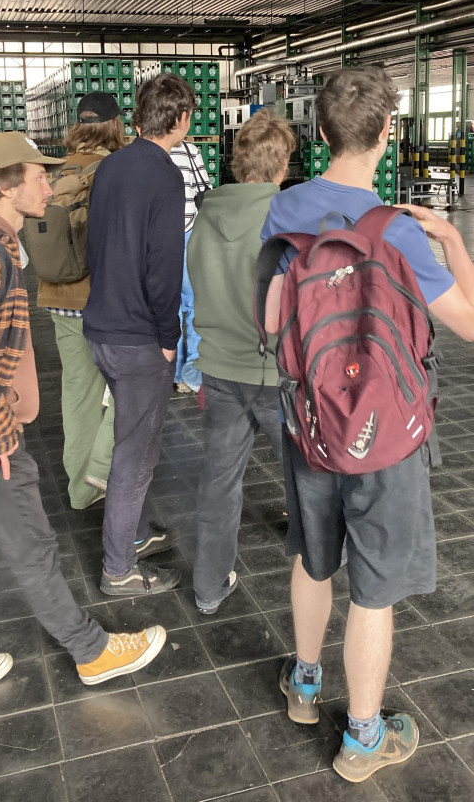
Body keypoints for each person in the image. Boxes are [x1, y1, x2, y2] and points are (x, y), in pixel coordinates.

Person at [259, 66, 474, 783]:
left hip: (309, 422)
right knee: (373, 589)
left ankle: (304, 684)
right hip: (386, 436)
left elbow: (272, 323)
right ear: (387, 133)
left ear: (319, 132)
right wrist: (454, 246)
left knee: (312, 555)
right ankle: (361, 738)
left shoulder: (283, 212)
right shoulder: (400, 231)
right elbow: (470, 326)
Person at [0, 132, 166, 706]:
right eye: (38, 177)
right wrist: (0, 435)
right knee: (32, 545)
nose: (49, 188)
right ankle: (91, 651)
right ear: (7, 186)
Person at [83, 73, 196, 596]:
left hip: (102, 326)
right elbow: (163, 265)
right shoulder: (166, 175)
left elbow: (95, 243)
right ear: (180, 119)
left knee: (135, 439)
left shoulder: (111, 165)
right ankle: (119, 569)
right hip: (138, 337)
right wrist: (169, 335)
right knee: (136, 452)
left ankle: (136, 533)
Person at [188, 109, 295, 614]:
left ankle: (209, 586)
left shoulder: (203, 218)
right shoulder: (287, 219)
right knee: (307, 472)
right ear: (283, 165)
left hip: (219, 369)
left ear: (237, 162)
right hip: (276, 374)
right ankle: (323, 556)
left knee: (219, 481)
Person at [37, 92, 124, 509]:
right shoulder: (113, 170)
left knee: (78, 394)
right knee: (131, 388)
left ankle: (80, 490)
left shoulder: (55, 171)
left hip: (57, 295)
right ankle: (102, 470)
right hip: (100, 299)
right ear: (115, 125)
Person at [170, 138, 212, 394]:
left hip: (158, 239)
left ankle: (172, 373)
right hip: (190, 235)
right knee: (195, 306)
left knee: (168, 308)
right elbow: (205, 190)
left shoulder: (144, 152)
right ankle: (193, 375)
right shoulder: (190, 150)